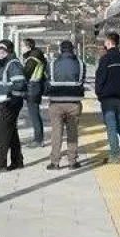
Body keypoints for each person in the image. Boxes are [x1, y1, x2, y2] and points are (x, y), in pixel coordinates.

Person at [0, 39, 26, 171]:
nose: (0, 52)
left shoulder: (12, 64)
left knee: (4, 133)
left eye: (3, 50)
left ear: (9, 50)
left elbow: (19, 84)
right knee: (11, 132)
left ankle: (1, 162)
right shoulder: (6, 64)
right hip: (8, 101)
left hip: (10, 102)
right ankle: (17, 161)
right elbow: (4, 83)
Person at [45, 40, 87, 170]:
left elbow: (47, 80)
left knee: (56, 133)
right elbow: (82, 80)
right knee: (72, 132)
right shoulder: (81, 64)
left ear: (60, 50)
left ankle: (55, 162)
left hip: (56, 103)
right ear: (73, 49)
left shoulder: (51, 64)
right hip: (74, 103)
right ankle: (72, 162)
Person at [94, 32, 120, 163]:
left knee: (111, 126)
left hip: (108, 99)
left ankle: (114, 156)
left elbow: (100, 79)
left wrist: (99, 94)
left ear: (109, 42)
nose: (104, 44)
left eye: (105, 42)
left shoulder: (105, 59)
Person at [21, 38, 48, 147]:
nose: (21, 48)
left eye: (22, 46)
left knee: (34, 114)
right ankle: (38, 138)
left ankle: (38, 139)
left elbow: (26, 73)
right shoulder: (36, 55)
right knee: (35, 114)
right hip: (36, 87)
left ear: (28, 47)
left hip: (33, 87)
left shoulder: (32, 58)